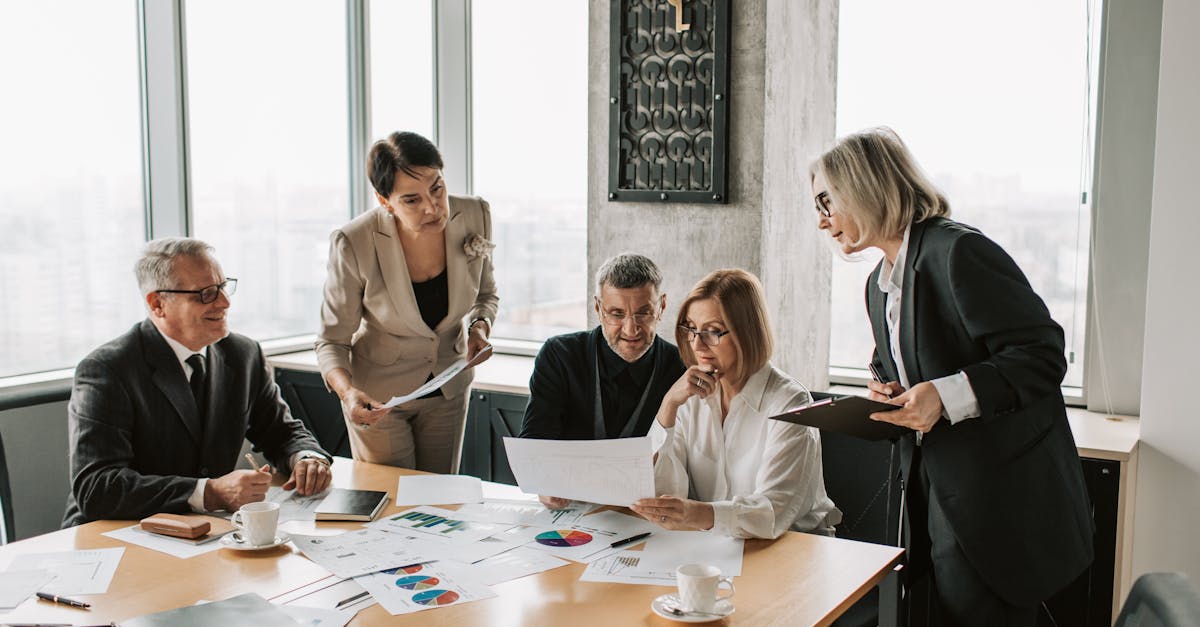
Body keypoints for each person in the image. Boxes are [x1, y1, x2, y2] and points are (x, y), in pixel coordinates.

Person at [811, 127, 1093, 625]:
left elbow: (1043, 355)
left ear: (863, 186)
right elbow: (906, 360)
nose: (821, 221)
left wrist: (943, 396)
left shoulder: (958, 252)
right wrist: (885, 385)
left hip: (996, 505)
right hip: (932, 497)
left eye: (826, 201)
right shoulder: (881, 287)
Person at [63, 238, 331, 527]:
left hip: (207, 533)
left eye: (223, 287)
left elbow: (280, 431)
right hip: (115, 535)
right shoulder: (108, 369)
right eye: (205, 294)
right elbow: (96, 487)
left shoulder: (243, 354)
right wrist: (209, 493)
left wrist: (306, 457)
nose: (224, 303)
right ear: (158, 304)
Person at [316, 131, 498, 473]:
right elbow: (331, 340)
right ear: (385, 201)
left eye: (437, 188)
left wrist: (479, 326)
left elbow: (486, 295)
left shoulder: (475, 214)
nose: (431, 207)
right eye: (411, 200)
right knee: (391, 503)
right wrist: (347, 393)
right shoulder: (354, 241)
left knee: (441, 504)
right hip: (379, 400)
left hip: (448, 388)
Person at [629, 269, 841, 539]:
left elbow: (772, 511)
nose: (698, 344)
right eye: (691, 330)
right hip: (714, 546)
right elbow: (661, 495)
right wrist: (668, 406)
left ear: (747, 332)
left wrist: (696, 514)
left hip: (791, 549)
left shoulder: (790, 402)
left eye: (713, 332)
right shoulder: (689, 396)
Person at [519, 253, 686, 508]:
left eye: (643, 314)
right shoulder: (559, 355)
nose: (631, 330)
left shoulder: (681, 367)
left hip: (647, 516)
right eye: (617, 314)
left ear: (661, 307)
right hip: (571, 510)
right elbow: (535, 441)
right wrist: (544, 482)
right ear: (598, 308)